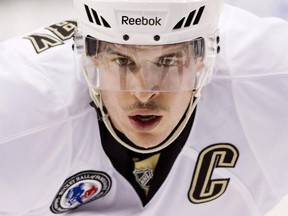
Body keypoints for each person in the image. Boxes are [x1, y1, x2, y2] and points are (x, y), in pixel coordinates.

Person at [0, 0, 288, 215]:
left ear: (204, 59)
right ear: (91, 59)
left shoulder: (268, 74)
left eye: (168, 61)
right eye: (122, 61)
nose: (144, 92)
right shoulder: (18, 107)